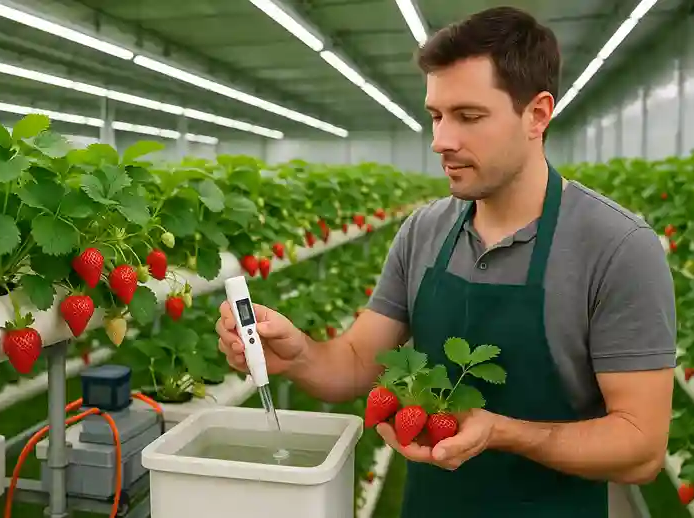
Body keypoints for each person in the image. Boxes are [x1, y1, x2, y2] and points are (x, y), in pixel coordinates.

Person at [216, 6, 676, 517]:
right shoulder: (424, 230)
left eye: (469, 116)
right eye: (436, 116)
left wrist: (503, 432)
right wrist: (297, 353)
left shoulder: (616, 246)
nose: (441, 141)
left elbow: (642, 448)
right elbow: (354, 365)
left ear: (538, 115)